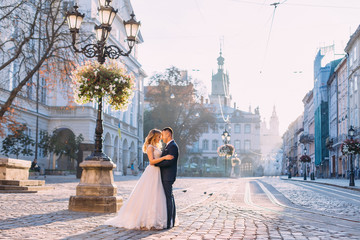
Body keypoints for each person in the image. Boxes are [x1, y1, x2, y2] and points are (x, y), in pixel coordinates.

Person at [105, 129, 174, 230]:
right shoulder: (150, 147)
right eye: (159, 136)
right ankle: (146, 218)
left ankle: (157, 217)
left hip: (158, 172)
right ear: (154, 137)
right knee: (149, 193)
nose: (161, 138)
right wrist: (165, 158)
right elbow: (151, 161)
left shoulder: (156, 146)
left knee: (157, 194)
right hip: (152, 171)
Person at [155, 127, 179, 229]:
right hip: (166, 175)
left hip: (168, 176)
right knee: (170, 197)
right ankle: (170, 220)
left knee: (168, 198)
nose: (162, 137)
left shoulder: (173, 146)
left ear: (168, 134)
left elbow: (169, 162)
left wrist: (156, 164)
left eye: (163, 135)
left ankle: (169, 222)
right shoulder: (168, 146)